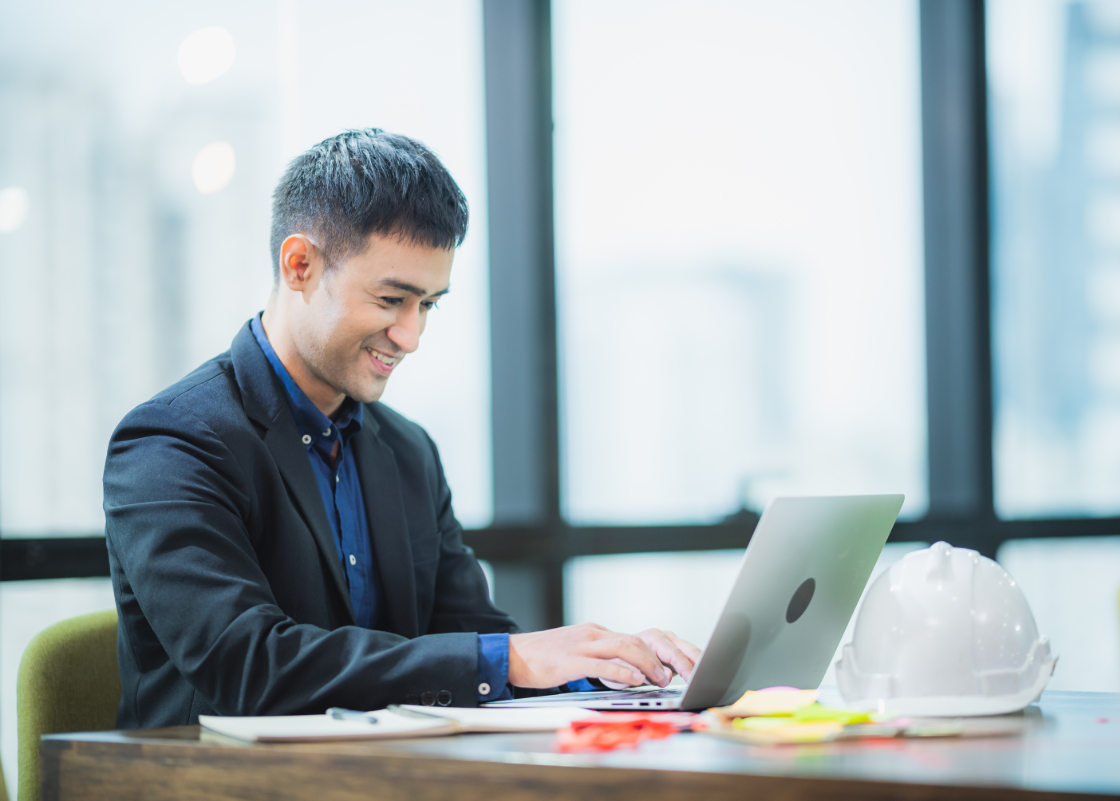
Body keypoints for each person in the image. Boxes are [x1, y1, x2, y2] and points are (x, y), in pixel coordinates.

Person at [103, 129, 699, 728]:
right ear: (300, 265)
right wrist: (510, 658)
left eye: (429, 305)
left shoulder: (408, 451)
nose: (411, 337)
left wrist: (605, 668)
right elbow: (247, 667)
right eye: (392, 300)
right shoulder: (172, 443)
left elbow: (475, 643)